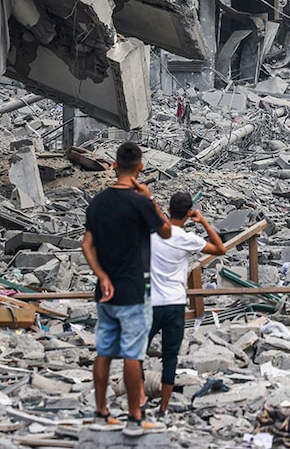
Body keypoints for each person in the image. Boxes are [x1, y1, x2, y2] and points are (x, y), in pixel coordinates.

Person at [83, 142, 171, 436]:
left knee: (104, 351)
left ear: (113, 165)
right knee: (133, 355)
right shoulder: (140, 203)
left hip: (105, 293)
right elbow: (166, 231)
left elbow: (87, 245)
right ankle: (134, 418)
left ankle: (100, 412)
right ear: (141, 167)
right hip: (134, 290)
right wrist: (151, 199)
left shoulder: (98, 203)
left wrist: (102, 276)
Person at [147, 192, 226, 418]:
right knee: (170, 356)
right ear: (189, 212)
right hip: (175, 305)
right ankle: (163, 408)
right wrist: (203, 221)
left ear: (169, 210)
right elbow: (220, 249)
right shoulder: (188, 238)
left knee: (137, 353)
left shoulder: (154, 233)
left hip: (152, 303)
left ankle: (139, 399)